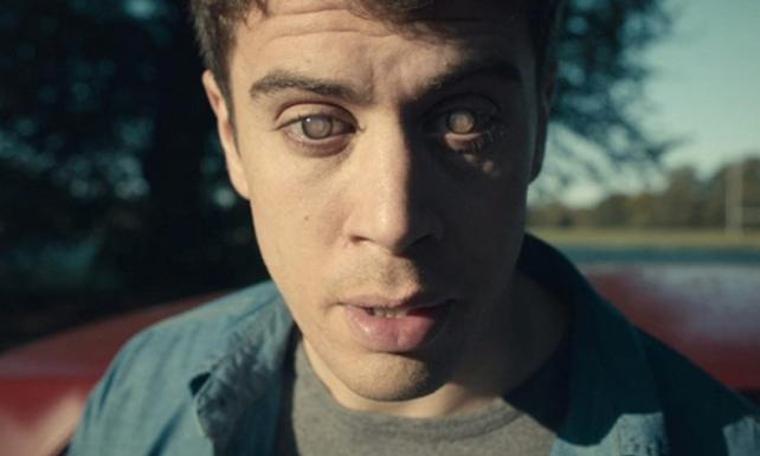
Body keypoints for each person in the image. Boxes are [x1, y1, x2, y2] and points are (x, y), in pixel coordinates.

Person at [69, 0, 759, 454]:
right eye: (316, 124)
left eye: (464, 120)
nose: (393, 222)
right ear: (231, 138)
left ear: (540, 122)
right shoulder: (142, 390)